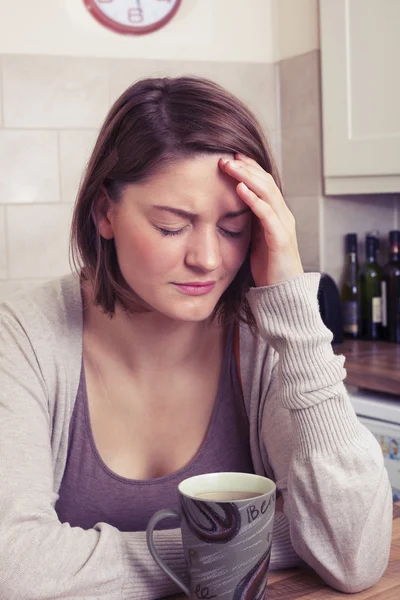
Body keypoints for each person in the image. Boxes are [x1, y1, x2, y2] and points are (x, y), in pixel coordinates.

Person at [0, 75, 393, 600]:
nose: (208, 259)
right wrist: (238, 542)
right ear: (105, 213)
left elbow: (352, 557)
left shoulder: (267, 344)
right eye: (171, 226)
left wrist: (297, 320)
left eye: (233, 228)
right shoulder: (22, 334)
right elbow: (14, 566)